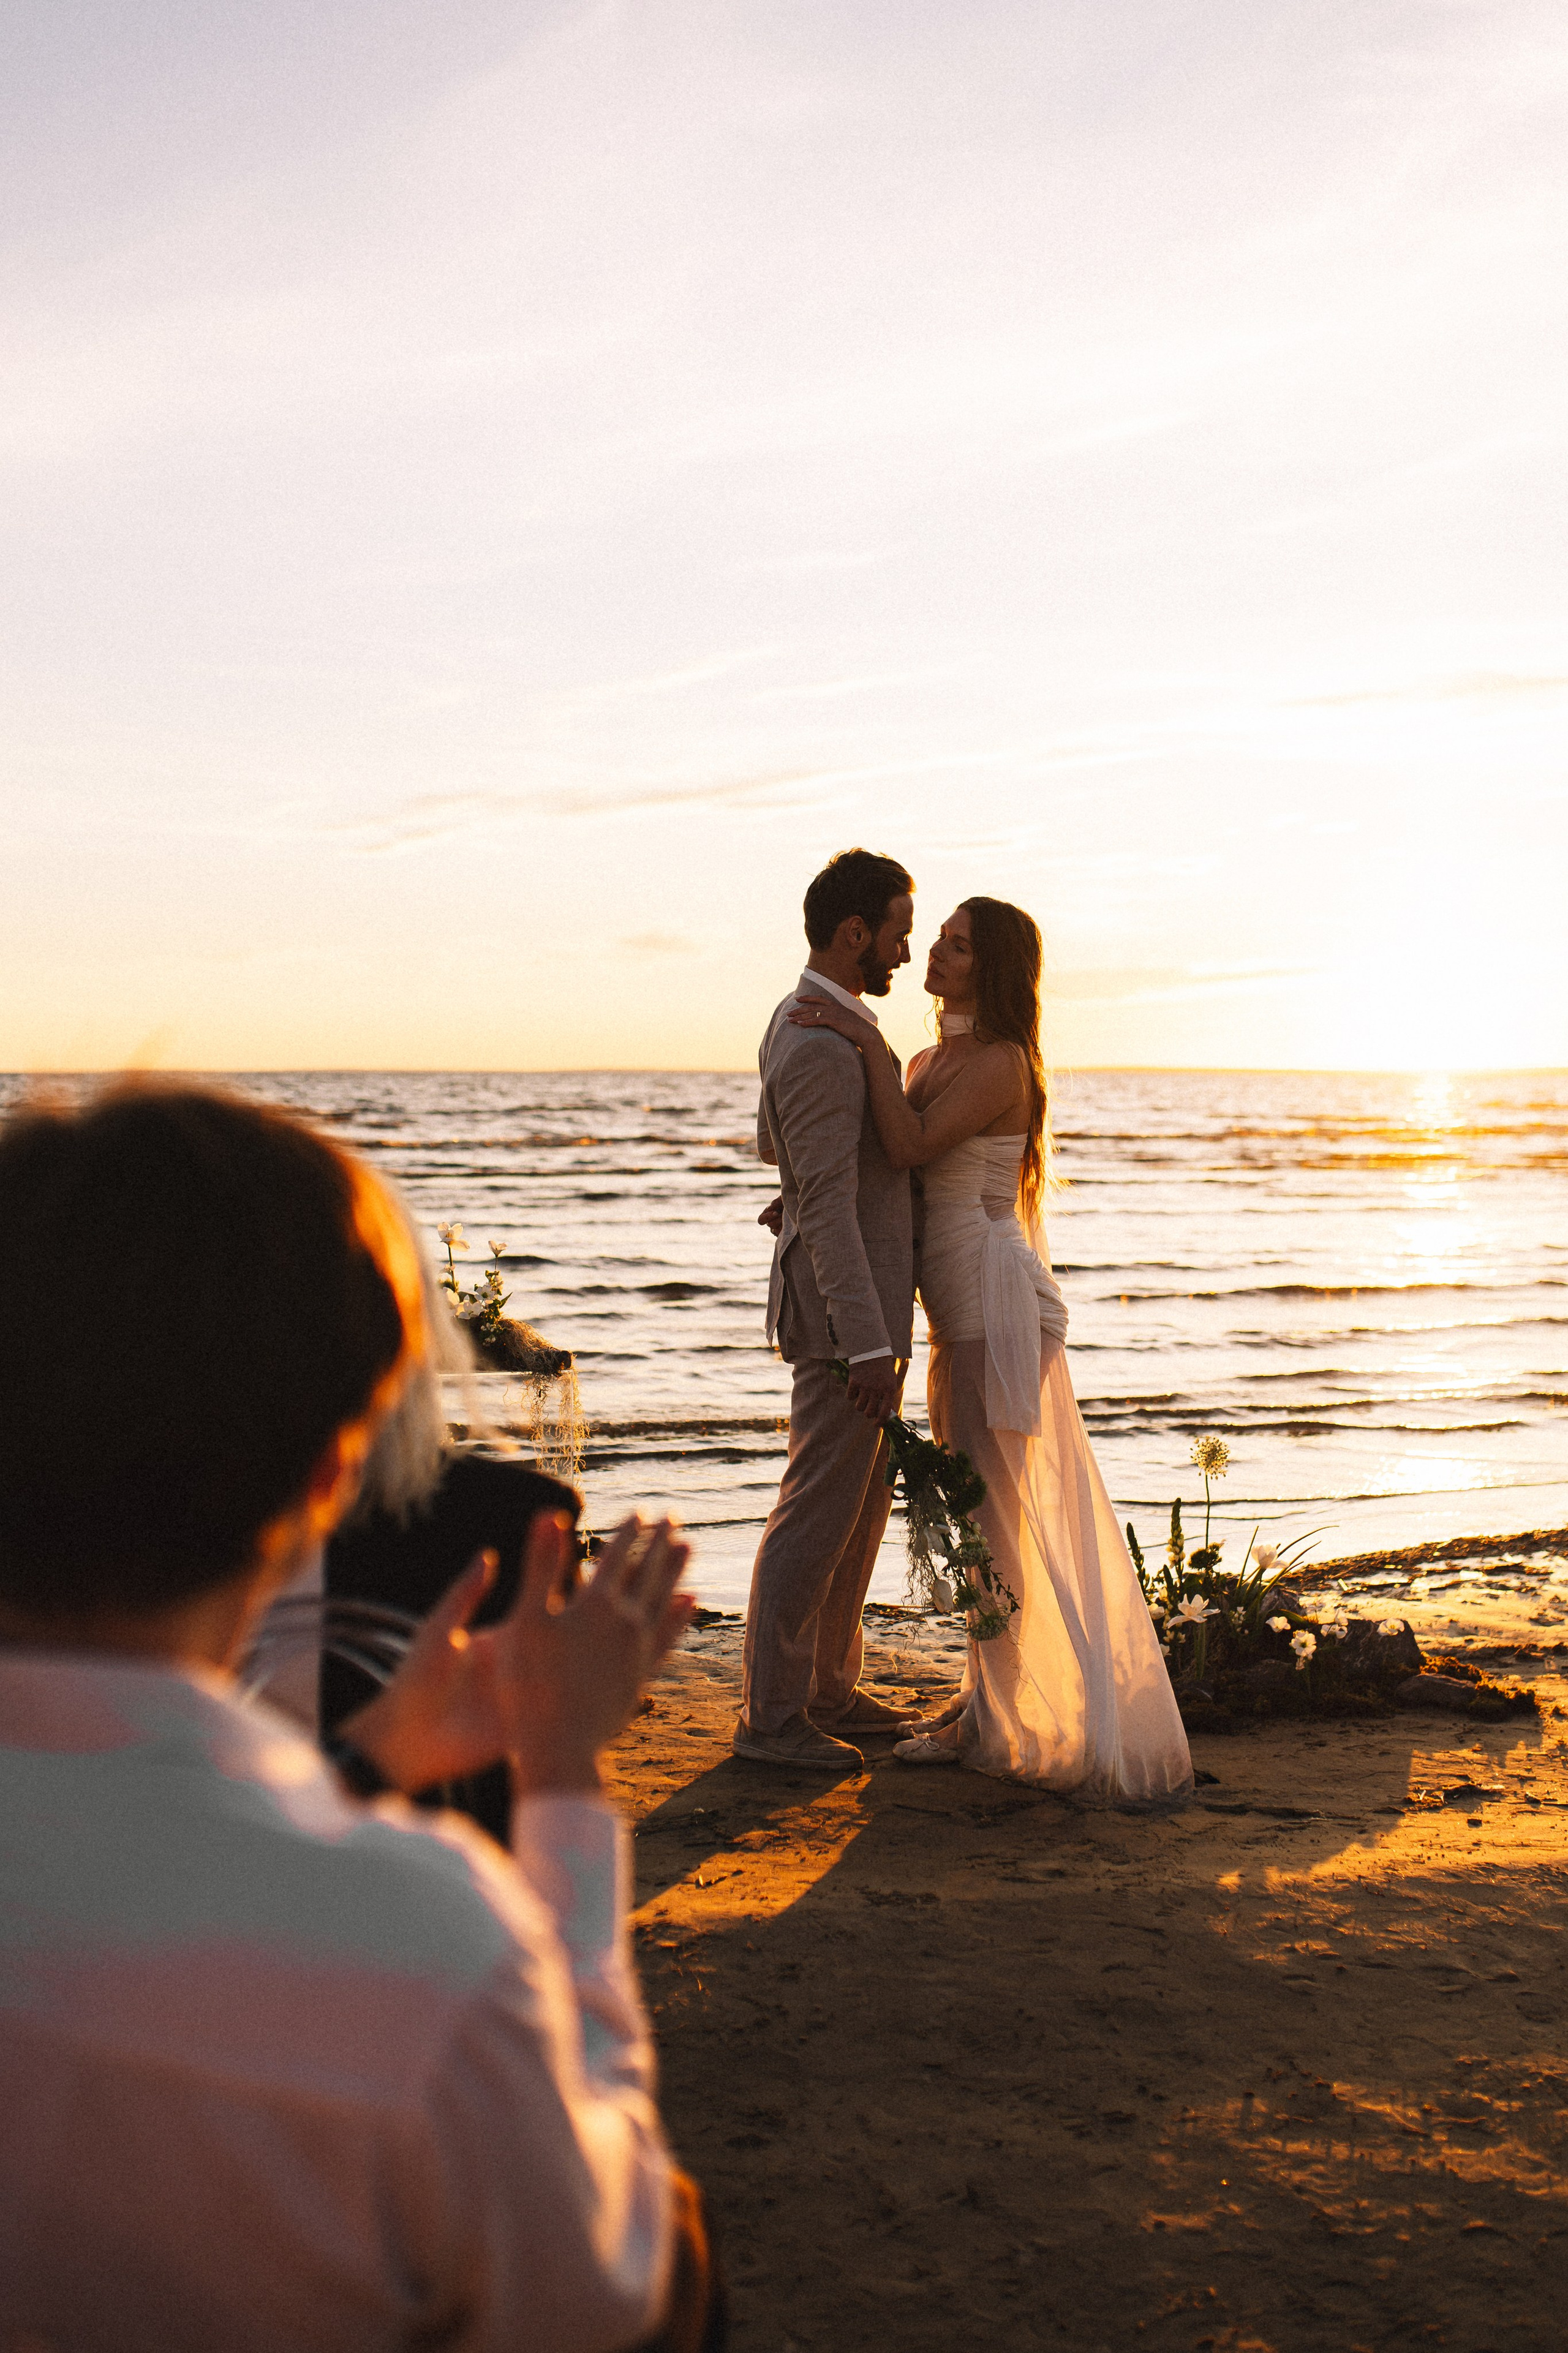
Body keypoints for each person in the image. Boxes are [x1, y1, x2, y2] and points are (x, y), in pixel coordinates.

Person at [0, 1081, 720, 2352]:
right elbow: (605, 2291)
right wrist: (555, 1778)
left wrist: (370, 1758)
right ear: (336, 1468)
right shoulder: (423, 1956)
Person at [788, 897, 1192, 1805]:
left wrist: (852, 1030)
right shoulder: (931, 1057)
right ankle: (989, 1697)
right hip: (954, 1311)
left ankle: (1002, 1714)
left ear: (993, 967)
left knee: (993, 1511)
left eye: (957, 944)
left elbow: (911, 1139)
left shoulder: (1002, 1064)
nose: (935, 950)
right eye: (936, 936)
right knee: (977, 1507)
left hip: (992, 1303)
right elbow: (892, 1173)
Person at [734, 849, 921, 1769]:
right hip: (849, 1317)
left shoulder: (820, 1022)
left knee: (862, 1502)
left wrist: (802, 1187)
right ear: (855, 933)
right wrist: (867, 1343)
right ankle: (771, 1717)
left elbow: (780, 1148)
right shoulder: (815, 1036)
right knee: (817, 1507)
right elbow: (832, 1207)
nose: (905, 951)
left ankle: (828, 1686)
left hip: (867, 1309)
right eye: (896, 932)